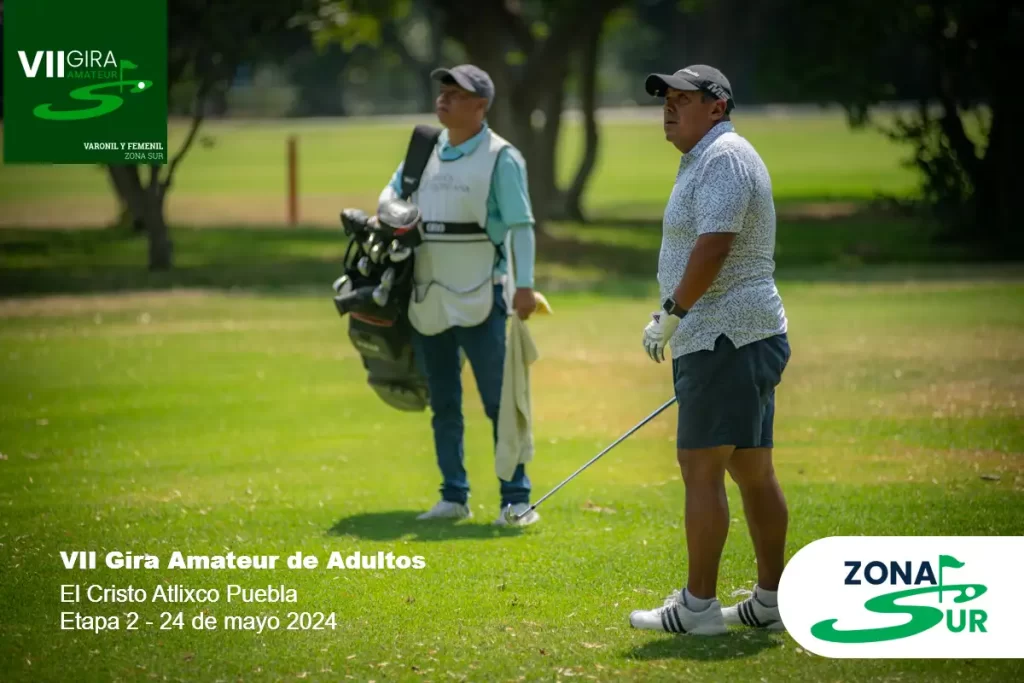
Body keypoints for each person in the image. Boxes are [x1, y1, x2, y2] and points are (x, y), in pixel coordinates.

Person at [627, 65, 792, 635]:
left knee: (701, 468)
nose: (669, 108)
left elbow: (715, 245)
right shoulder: (707, 157)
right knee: (752, 469)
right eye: (665, 100)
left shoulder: (724, 157)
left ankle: (698, 607)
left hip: (725, 337)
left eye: (683, 99)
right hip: (736, 337)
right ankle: (770, 601)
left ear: (717, 107)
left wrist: (672, 313)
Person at [378, 64, 541, 526]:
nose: (443, 99)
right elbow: (389, 196)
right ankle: (453, 496)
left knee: (498, 403)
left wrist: (524, 286)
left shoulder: (501, 157)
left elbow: (521, 227)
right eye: (442, 91)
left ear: (481, 106)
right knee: (444, 403)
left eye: (456, 94)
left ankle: (516, 499)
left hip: (482, 296)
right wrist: (391, 213)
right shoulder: (424, 148)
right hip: (427, 295)